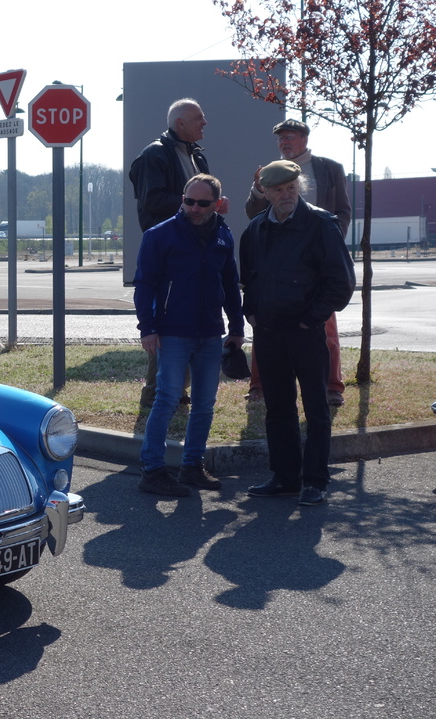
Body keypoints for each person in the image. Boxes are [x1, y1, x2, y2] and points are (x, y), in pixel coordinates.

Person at [240, 160, 356, 506]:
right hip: (268, 333)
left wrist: (310, 319)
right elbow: (248, 279)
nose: (287, 195)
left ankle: (316, 481)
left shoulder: (321, 224)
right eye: (279, 190)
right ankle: (285, 477)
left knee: (316, 408)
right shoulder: (256, 229)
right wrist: (251, 313)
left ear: (299, 187)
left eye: (292, 188)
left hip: (306, 333)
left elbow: (341, 283)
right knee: (278, 408)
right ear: (265, 192)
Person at [133, 174, 245, 496]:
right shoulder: (160, 235)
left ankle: (192, 466)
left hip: (210, 332)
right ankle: (152, 471)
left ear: (217, 204)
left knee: (205, 403)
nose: (194, 208)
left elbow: (230, 283)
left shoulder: (223, 234)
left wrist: (237, 327)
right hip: (172, 332)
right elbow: (144, 285)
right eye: (189, 201)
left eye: (203, 203)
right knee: (167, 399)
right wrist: (148, 328)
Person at [243, 118, 353, 406]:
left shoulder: (329, 168)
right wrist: (258, 189)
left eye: (290, 137)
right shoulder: (270, 172)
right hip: (278, 263)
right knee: (265, 328)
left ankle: (332, 386)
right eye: (281, 138)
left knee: (325, 326)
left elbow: (342, 211)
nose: (284, 142)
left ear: (304, 139)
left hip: (317, 264)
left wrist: (329, 246)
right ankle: (260, 386)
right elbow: (253, 214)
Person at [129, 99, 230, 409]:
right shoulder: (155, 154)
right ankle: (156, 394)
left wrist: (211, 206)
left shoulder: (197, 155)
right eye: (199, 118)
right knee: (166, 323)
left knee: (192, 322)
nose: (205, 123)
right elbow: (151, 200)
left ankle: (178, 390)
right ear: (180, 123)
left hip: (199, 248)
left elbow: (203, 194)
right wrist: (198, 204)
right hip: (170, 252)